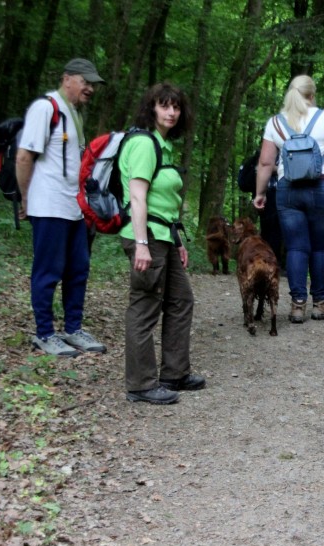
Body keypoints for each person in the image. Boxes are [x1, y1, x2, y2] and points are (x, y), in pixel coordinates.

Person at [120, 83, 205, 405]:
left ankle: (174, 372)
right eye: (164, 105)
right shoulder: (144, 144)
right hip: (146, 237)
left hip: (164, 236)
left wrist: (177, 240)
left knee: (181, 300)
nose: (171, 112)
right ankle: (141, 384)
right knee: (144, 306)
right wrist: (141, 244)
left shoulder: (163, 146)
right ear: (151, 108)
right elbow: (137, 197)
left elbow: (164, 203)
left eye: (176, 107)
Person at [16, 58, 108, 357]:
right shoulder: (46, 108)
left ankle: (73, 329)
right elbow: (24, 157)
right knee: (48, 272)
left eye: (93, 84)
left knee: (78, 269)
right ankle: (44, 333)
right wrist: (26, 199)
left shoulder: (74, 114)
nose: (90, 88)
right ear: (67, 78)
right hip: (48, 205)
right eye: (85, 82)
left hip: (73, 208)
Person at [253, 75, 324, 323]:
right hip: (323, 186)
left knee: (296, 247)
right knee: (320, 247)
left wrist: (260, 193)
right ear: (312, 94)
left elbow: (265, 162)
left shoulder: (275, 122)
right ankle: (320, 304)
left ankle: (297, 306)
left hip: (288, 189)